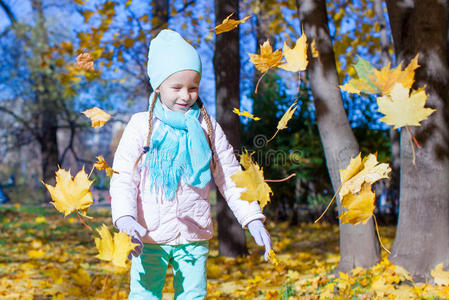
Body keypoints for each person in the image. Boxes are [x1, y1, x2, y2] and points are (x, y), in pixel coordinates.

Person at [110, 29, 271, 300]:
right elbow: (124, 175)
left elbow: (230, 176)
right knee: (144, 294)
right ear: (158, 85)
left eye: (193, 87)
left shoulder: (207, 127)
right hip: (148, 235)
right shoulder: (142, 125)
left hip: (193, 233)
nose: (186, 95)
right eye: (177, 87)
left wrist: (252, 217)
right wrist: (125, 217)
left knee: (193, 295)